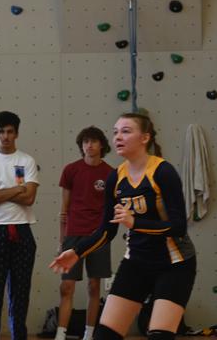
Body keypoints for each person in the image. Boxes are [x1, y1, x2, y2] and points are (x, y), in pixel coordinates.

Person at [51, 113, 197, 340]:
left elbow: (178, 226)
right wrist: (77, 252)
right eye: (116, 131)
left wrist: (134, 223)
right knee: (104, 336)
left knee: (159, 335)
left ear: (145, 138)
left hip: (174, 264)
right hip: (136, 263)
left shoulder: (163, 172)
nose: (118, 136)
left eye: (126, 131)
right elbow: (106, 231)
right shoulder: (115, 177)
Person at [0, 111, 40, 340]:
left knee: (20, 291)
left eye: (9, 132)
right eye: (1, 132)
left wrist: (2, 192)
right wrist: (18, 188)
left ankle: (20, 336)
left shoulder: (26, 161)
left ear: (16, 134)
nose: (5, 136)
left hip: (22, 229)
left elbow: (29, 198)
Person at [55, 126, 114, 340]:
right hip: (74, 234)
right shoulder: (71, 170)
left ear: (102, 145)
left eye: (94, 141)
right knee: (67, 286)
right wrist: (61, 241)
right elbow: (64, 210)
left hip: (98, 236)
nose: (89, 145)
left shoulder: (110, 173)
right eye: (85, 141)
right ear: (81, 145)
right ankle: (60, 334)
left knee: (94, 285)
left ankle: (89, 334)